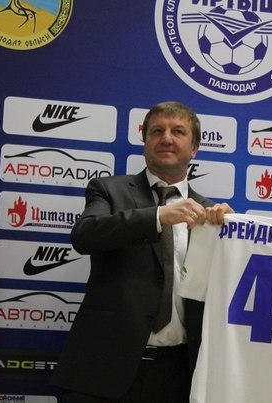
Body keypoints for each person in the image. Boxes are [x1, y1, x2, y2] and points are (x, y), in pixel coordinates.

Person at [50, 101, 234, 402]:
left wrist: (232, 234)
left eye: (178, 131)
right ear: (145, 140)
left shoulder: (210, 214)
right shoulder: (109, 190)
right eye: (157, 131)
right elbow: (84, 235)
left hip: (178, 375)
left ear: (194, 148)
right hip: (103, 370)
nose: (166, 138)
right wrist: (158, 216)